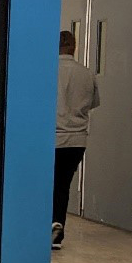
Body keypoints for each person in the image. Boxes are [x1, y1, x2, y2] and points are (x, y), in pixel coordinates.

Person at [53, 29, 100, 249]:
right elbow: (93, 102)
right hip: (76, 141)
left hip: (51, 139)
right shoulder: (88, 73)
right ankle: (56, 230)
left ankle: (38, 228)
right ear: (74, 47)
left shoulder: (48, 71)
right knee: (63, 185)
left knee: (44, 185)